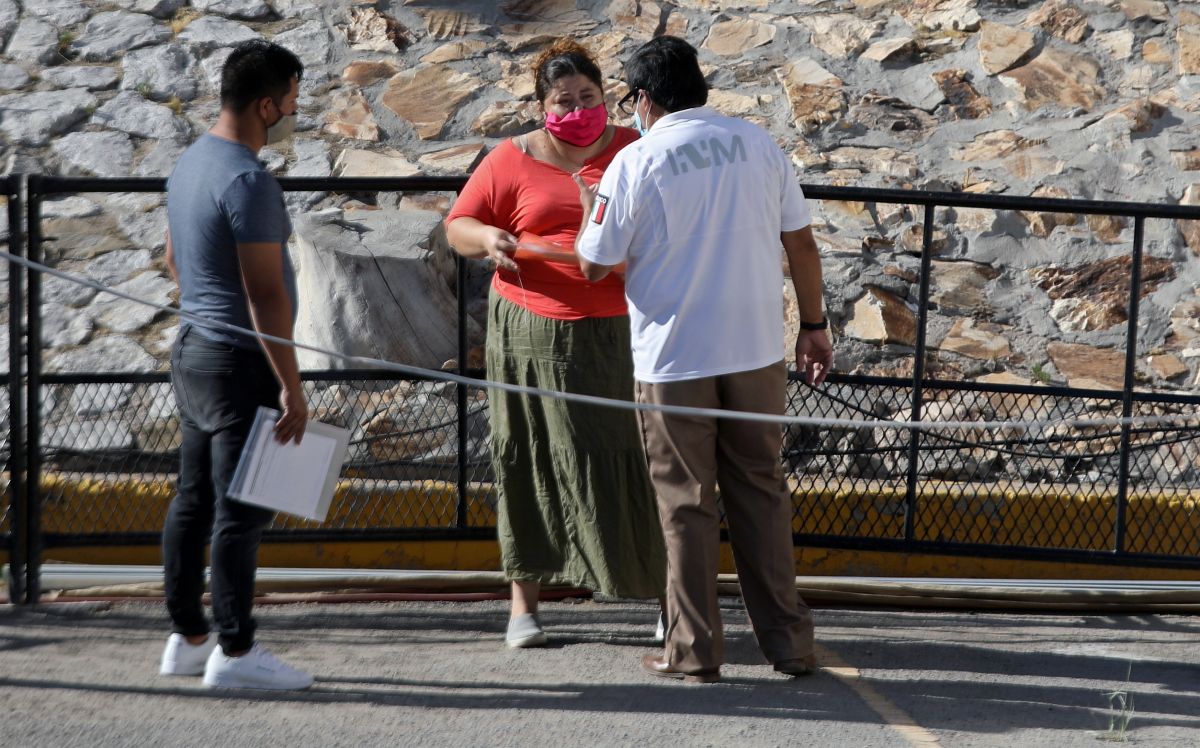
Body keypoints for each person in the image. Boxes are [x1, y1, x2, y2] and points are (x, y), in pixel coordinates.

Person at [574, 36, 835, 684]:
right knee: (763, 492)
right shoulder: (757, 144)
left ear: (643, 98)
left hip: (674, 357)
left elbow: (593, 263)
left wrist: (588, 212)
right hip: (754, 349)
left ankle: (693, 651)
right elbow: (800, 243)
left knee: (686, 504)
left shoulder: (634, 162)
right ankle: (790, 643)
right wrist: (814, 324)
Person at [445, 38, 667, 648]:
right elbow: (457, 225)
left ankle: (666, 600)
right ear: (542, 105)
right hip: (529, 327)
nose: (577, 109)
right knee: (529, 452)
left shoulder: (636, 149)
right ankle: (524, 609)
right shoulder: (509, 158)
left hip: (623, 326)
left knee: (640, 455)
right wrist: (488, 237)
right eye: (563, 100)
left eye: (588, 97)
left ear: (606, 96)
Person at [159, 40, 313, 691]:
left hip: (194, 349)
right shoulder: (249, 180)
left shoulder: (190, 161)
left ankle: (187, 638)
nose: (294, 113)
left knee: (192, 499)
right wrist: (292, 385)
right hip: (236, 360)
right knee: (239, 509)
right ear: (266, 104)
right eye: (293, 102)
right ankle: (237, 650)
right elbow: (265, 292)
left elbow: (173, 259)